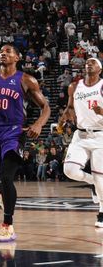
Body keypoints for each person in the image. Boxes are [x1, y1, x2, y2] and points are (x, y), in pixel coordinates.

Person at [0, 44, 50, 242]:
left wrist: (39, 124)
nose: (3, 53)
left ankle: (7, 225)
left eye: (8, 51)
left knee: (8, 176)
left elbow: (46, 107)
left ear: (17, 57)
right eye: (1, 51)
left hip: (14, 132)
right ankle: (0, 189)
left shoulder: (26, 80)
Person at [60, 58, 103, 227]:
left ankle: (101, 211)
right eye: (88, 61)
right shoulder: (74, 86)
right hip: (81, 134)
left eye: (94, 62)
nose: (89, 63)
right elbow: (70, 108)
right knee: (69, 170)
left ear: (100, 69)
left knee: (101, 178)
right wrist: (65, 117)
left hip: (100, 136)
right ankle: (91, 180)